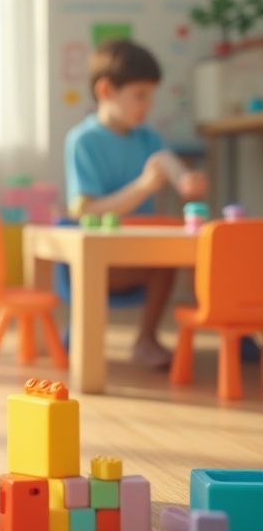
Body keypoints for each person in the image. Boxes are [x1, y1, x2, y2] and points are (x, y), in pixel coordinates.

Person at [64, 39, 208, 368]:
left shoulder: (149, 138)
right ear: (106, 90)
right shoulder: (83, 141)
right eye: (139, 95)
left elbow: (173, 168)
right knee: (160, 257)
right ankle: (80, 336)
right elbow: (84, 209)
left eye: (150, 96)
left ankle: (147, 338)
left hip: (144, 252)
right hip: (100, 257)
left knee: (170, 257)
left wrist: (190, 182)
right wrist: (142, 187)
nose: (147, 105)